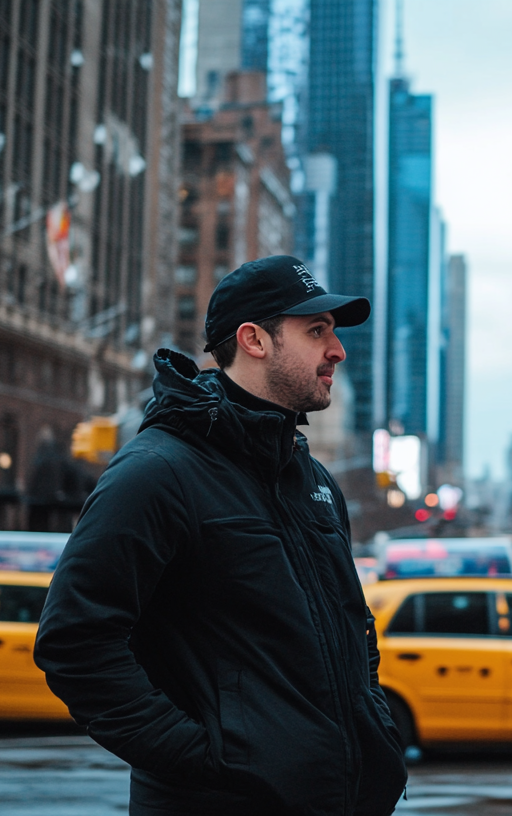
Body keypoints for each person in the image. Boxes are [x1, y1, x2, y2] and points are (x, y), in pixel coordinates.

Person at [35, 255, 408, 816]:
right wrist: (209, 763)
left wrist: (372, 724)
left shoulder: (311, 479)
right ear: (254, 340)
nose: (338, 351)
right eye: (316, 331)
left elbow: (355, 632)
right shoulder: (157, 472)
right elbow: (75, 645)